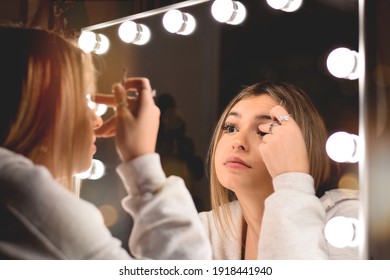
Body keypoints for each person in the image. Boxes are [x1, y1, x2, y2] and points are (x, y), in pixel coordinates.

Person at [0, 25, 211, 259]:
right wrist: (142, 163)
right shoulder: (24, 198)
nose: (97, 119)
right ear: (36, 107)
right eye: (80, 99)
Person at [199, 81, 359, 259]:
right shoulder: (207, 231)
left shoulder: (348, 224)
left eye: (263, 131)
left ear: (300, 147)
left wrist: (292, 181)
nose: (238, 141)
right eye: (231, 128)